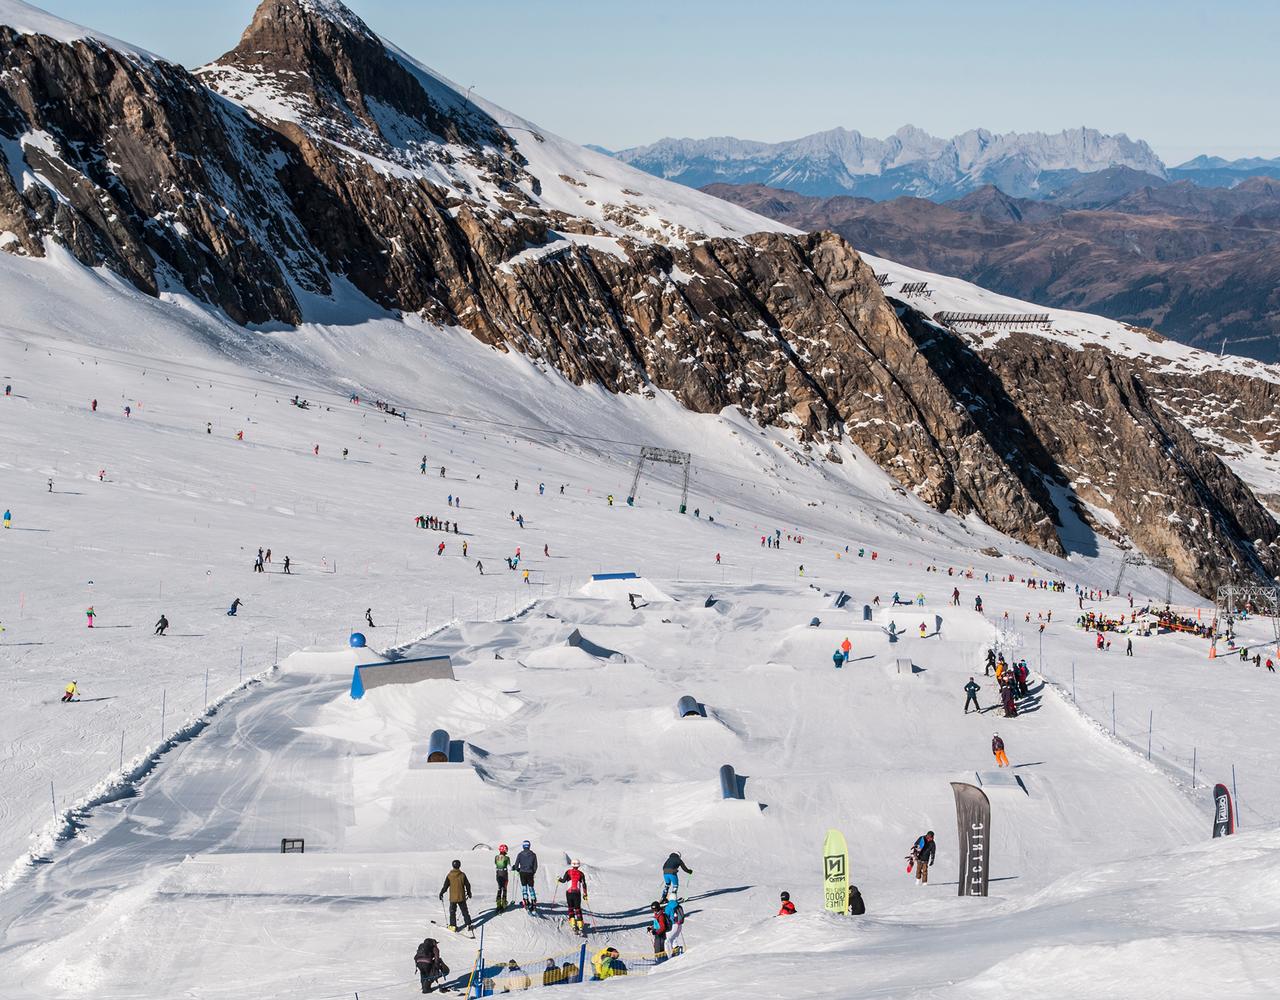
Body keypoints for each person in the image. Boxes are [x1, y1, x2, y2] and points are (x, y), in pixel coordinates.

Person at [439, 859, 473, 932]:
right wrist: (469, 893)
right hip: (461, 897)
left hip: (453, 898)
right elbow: (467, 885)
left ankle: (453, 926)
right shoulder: (462, 875)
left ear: (453, 865)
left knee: (452, 912)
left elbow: (445, 886)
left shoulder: (449, 875)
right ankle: (468, 924)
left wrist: (441, 893)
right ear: (459, 865)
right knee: (464, 911)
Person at [557, 860, 588, 934]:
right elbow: (584, 884)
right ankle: (580, 925)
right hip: (577, 893)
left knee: (570, 908)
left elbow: (563, 880)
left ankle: (573, 923)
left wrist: (559, 879)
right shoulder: (581, 874)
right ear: (578, 865)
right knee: (577, 908)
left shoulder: (568, 872)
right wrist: (585, 894)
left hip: (569, 893)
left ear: (572, 865)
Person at [514, 840, 538, 909]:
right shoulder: (533, 855)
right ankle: (533, 901)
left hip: (522, 873)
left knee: (524, 887)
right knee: (531, 887)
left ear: (523, 846)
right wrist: (533, 872)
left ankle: (526, 901)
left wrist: (518, 869)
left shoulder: (520, 854)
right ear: (529, 846)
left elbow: (516, 865)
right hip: (530, 873)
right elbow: (535, 866)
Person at [494, 843, 511, 908]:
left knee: (499, 888)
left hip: (498, 874)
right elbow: (509, 868)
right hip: (504, 874)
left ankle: (498, 903)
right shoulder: (507, 858)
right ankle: (504, 902)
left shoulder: (496, 857)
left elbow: (495, 866)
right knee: (504, 887)